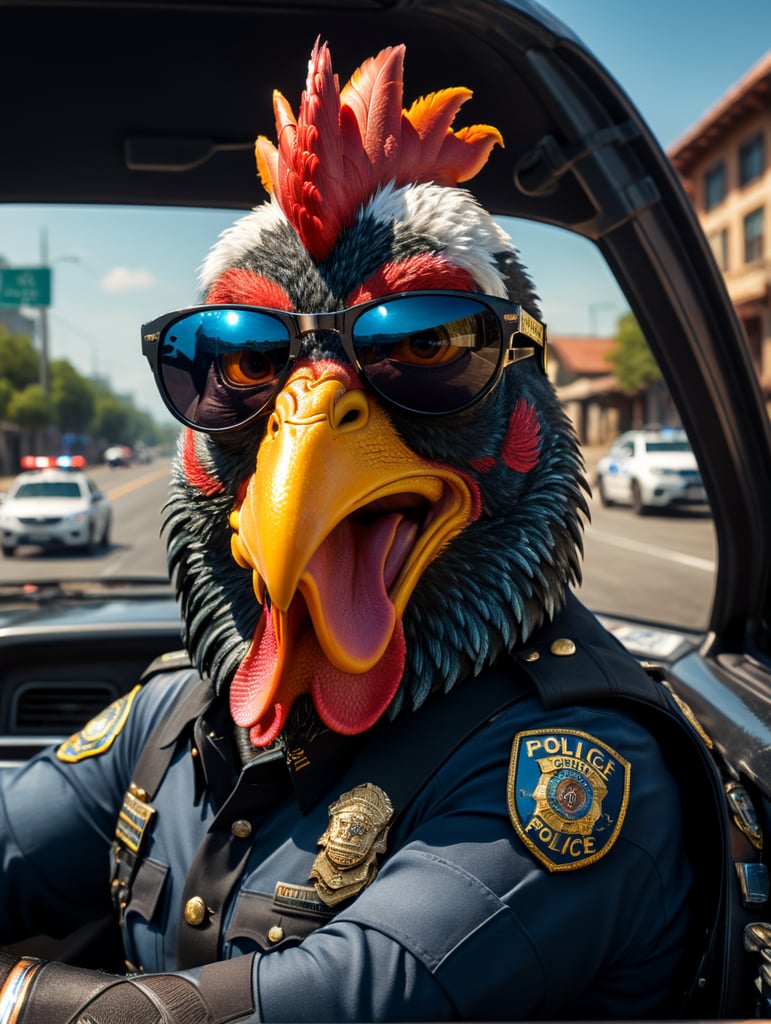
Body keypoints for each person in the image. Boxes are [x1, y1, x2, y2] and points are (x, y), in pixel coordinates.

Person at [0, 37, 738, 1022]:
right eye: (246, 359)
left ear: (529, 402)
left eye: (427, 344)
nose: (306, 422)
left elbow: (351, 998)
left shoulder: (576, 766)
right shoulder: (171, 717)